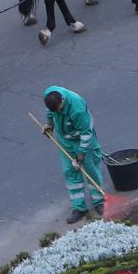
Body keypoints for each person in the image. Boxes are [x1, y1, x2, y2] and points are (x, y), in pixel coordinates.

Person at [43, 86, 105, 224]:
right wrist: (49, 124)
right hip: (65, 140)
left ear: (63, 101)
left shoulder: (77, 109)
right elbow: (50, 112)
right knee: (70, 171)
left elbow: (86, 133)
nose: (58, 112)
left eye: (59, 109)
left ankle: (99, 201)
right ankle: (79, 207)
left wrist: (81, 155)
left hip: (82, 140)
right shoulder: (49, 94)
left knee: (91, 171)